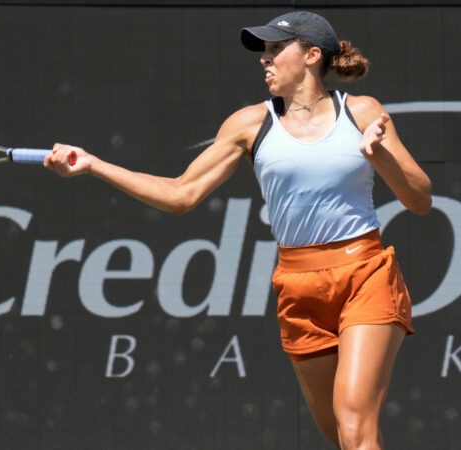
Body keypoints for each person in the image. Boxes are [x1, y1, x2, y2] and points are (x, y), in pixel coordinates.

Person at [44, 10, 432, 450]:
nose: (263, 60)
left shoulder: (362, 112)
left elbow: (420, 200)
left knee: (355, 425)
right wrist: (95, 164)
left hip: (365, 274)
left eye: (274, 49)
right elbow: (181, 194)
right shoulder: (248, 124)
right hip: (298, 288)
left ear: (310, 55)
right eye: (263, 51)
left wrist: (379, 155)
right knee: (340, 433)